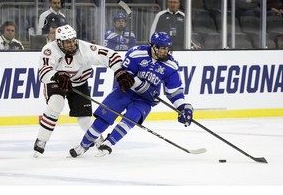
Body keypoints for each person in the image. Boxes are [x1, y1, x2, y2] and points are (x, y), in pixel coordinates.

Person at [69, 31, 194, 158]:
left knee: (130, 118)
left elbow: (174, 92)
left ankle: (109, 143)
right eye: (162, 49)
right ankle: (83, 146)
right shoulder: (136, 53)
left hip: (145, 100)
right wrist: (143, 87)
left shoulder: (171, 66)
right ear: (153, 47)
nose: (165, 52)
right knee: (104, 118)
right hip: (125, 91)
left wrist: (183, 107)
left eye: (167, 48)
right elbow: (126, 74)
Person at [33, 24, 135, 158]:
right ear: (59, 42)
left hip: (79, 82)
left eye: (73, 40)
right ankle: (41, 141)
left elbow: (112, 56)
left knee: (84, 118)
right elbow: (43, 72)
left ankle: (98, 140)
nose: (71, 44)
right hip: (57, 82)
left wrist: (119, 71)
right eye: (67, 42)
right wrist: (57, 76)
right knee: (55, 105)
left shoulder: (85, 49)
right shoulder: (49, 50)